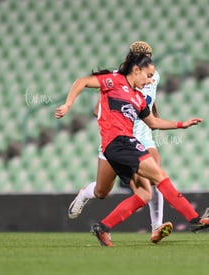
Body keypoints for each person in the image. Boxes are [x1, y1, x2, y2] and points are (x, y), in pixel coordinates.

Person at [55, 53, 209, 247]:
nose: (151, 80)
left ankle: (103, 228)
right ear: (136, 70)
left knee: (145, 195)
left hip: (122, 145)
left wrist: (181, 124)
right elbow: (82, 81)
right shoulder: (114, 80)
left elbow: (153, 122)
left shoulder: (138, 98)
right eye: (148, 75)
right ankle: (194, 219)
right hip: (119, 143)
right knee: (159, 176)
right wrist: (68, 104)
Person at [67, 41, 173, 244]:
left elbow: (149, 99)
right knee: (102, 191)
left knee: (156, 174)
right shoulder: (116, 78)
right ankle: (85, 193)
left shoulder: (154, 75)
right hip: (116, 137)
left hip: (141, 135)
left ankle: (156, 228)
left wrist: (151, 116)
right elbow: (97, 108)